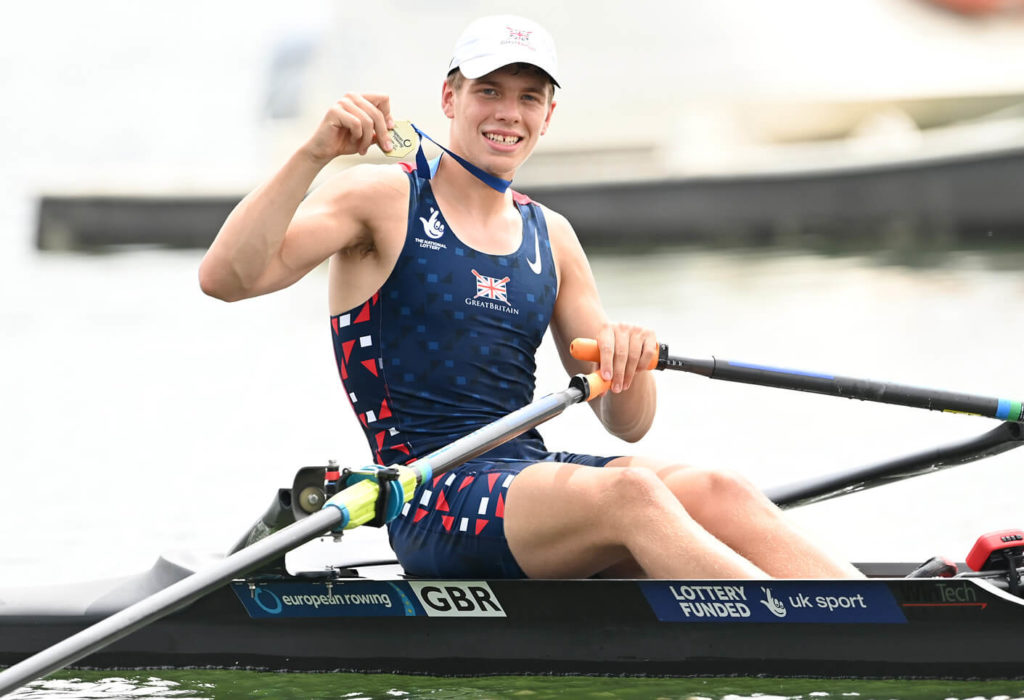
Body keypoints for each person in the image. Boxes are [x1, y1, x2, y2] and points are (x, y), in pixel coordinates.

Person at [199, 15, 862, 580]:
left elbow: (627, 423)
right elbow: (226, 279)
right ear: (450, 98)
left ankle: (884, 615)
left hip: (525, 478)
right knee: (632, 493)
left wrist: (625, 358)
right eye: (489, 90)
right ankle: (811, 629)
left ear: (548, 115)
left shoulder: (554, 236)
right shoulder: (379, 198)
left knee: (721, 489)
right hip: (429, 498)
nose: (508, 113)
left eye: (528, 96)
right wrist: (312, 155)